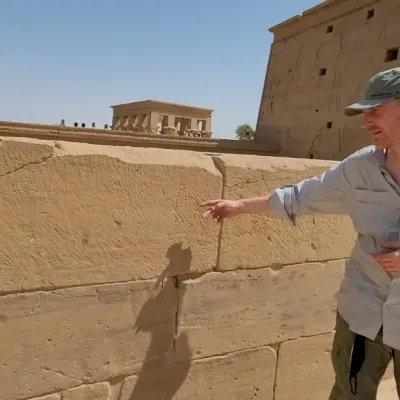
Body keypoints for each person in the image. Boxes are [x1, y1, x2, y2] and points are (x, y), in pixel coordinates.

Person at [201, 67, 400, 399]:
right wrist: (239, 207)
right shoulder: (360, 167)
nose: (366, 121)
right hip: (364, 311)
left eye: (376, 110)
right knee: (350, 393)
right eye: (364, 113)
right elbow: (301, 196)